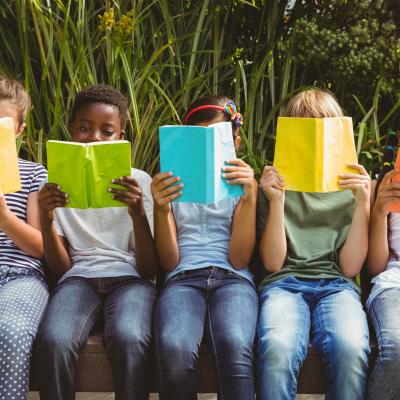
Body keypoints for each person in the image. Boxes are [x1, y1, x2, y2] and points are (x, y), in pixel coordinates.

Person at [35, 84, 158, 400]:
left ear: (121, 136)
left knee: (131, 338)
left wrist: (137, 214)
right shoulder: (55, 185)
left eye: (107, 131)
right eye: (85, 128)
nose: (95, 138)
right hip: (78, 279)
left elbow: (147, 269)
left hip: (130, 280)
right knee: (55, 340)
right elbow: (61, 268)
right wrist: (47, 220)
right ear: (72, 130)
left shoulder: (139, 182)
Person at [257, 88, 371, 400]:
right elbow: (272, 263)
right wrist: (277, 201)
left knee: (351, 348)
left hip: (337, 285)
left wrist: (362, 204)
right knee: (278, 348)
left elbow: (349, 267)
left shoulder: (352, 186)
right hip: (284, 284)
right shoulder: (274, 183)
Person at [152, 95, 258, 400]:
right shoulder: (171, 186)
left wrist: (249, 197)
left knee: (235, 343)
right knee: (174, 347)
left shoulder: (242, 187)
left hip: (233, 278)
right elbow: (170, 261)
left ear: (235, 141)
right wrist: (161, 210)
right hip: (182, 278)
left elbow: (239, 260)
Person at [0, 76, 49, 400]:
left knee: (12, 330)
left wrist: (4, 218)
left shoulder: (33, 174)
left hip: (20, 275)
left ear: (18, 130)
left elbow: (40, 247)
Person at [366, 128, 400, 400]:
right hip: (393, 282)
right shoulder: (382, 185)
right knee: (397, 347)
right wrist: (379, 210)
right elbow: (376, 268)